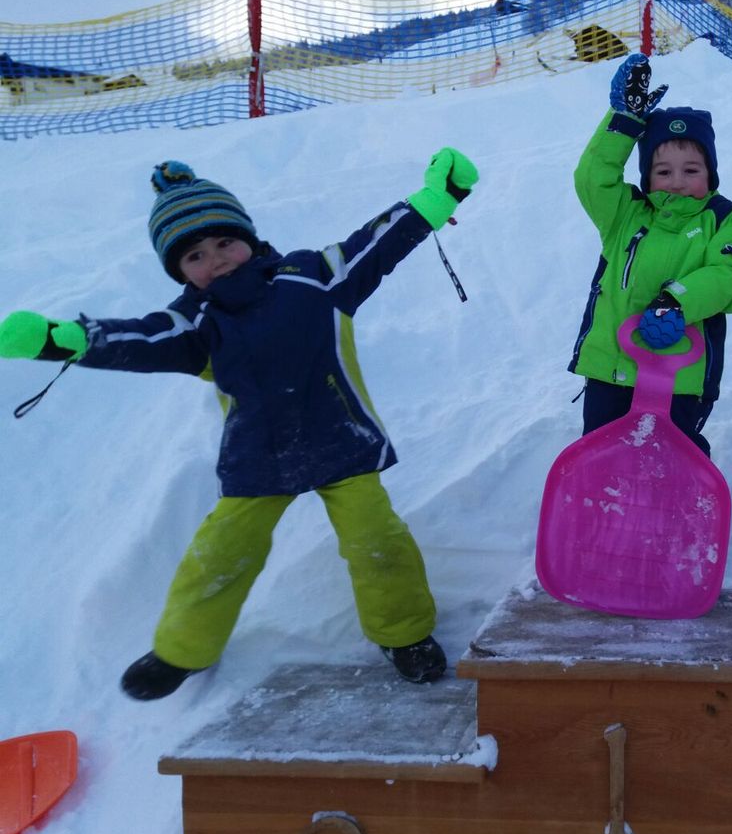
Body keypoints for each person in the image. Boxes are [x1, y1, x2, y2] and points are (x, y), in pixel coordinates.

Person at [0, 148, 479, 700]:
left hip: (340, 440)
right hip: (260, 456)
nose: (217, 259)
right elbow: (138, 338)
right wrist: (68, 339)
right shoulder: (193, 323)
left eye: (225, 242)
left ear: (248, 236)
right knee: (222, 554)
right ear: (179, 271)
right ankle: (183, 650)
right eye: (195, 256)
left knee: (379, 543)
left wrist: (434, 200)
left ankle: (405, 635)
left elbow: (375, 244)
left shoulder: (312, 276)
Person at [568, 53, 732, 456]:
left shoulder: (721, 218)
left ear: (710, 174)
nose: (677, 182)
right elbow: (591, 179)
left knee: (672, 457)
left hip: (680, 378)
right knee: (603, 455)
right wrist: (624, 122)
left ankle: (675, 512)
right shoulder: (625, 214)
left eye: (691, 171)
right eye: (663, 171)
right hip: (611, 370)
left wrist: (678, 299)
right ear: (647, 175)